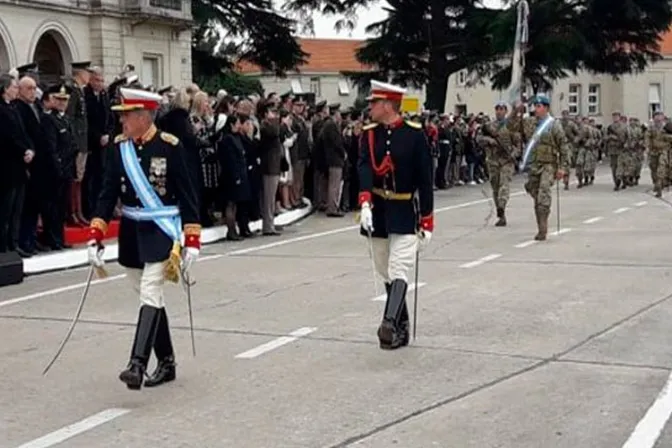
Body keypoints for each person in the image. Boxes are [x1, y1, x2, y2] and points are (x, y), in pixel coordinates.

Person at [86, 87, 201, 390]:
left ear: (143, 116)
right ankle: (167, 361)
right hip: (132, 233)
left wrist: (192, 240)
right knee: (149, 295)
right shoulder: (119, 147)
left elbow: (189, 196)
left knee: (151, 290)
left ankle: (137, 363)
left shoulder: (169, 147)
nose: (122, 121)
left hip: (162, 230)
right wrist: (95, 235)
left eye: (126, 115)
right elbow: (107, 191)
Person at [357, 80, 434, 350]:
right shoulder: (368, 134)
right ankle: (402, 327)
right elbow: (365, 168)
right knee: (383, 269)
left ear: (388, 105)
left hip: (403, 210)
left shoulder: (414, 135)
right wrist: (365, 202)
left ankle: (388, 323)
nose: (370, 108)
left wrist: (427, 219)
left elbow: (425, 180)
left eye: (374, 103)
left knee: (398, 267)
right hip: (378, 209)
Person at [510, 95, 570, 241]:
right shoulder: (530, 123)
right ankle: (540, 221)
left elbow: (563, 147)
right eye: (535, 106)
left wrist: (563, 167)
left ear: (546, 108)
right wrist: (515, 110)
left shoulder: (553, 125)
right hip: (534, 165)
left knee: (544, 193)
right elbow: (512, 126)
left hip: (549, 165)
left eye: (539, 106)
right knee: (535, 193)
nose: (536, 109)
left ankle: (542, 227)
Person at [476, 101, 517, 226]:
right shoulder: (489, 126)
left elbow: (518, 144)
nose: (499, 111)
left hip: (506, 161)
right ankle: (502, 216)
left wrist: (513, 154)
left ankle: (502, 206)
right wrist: (489, 140)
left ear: (506, 111)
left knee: (504, 185)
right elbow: (478, 139)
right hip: (493, 160)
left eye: (502, 109)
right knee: (495, 188)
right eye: (497, 109)